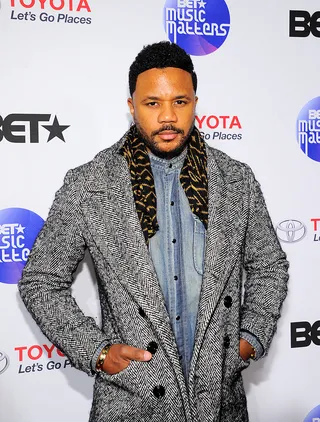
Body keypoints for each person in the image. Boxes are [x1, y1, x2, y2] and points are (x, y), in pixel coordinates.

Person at [18, 41, 289, 422]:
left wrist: (247, 341)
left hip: (220, 404)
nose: (167, 117)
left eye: (180, 101)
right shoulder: (89, 185)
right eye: (152, 103)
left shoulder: (236, 181)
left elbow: (269, 267)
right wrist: (97, 351)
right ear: (132, 107)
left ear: (196, 102)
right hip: (131, 401)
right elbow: (40, 281)